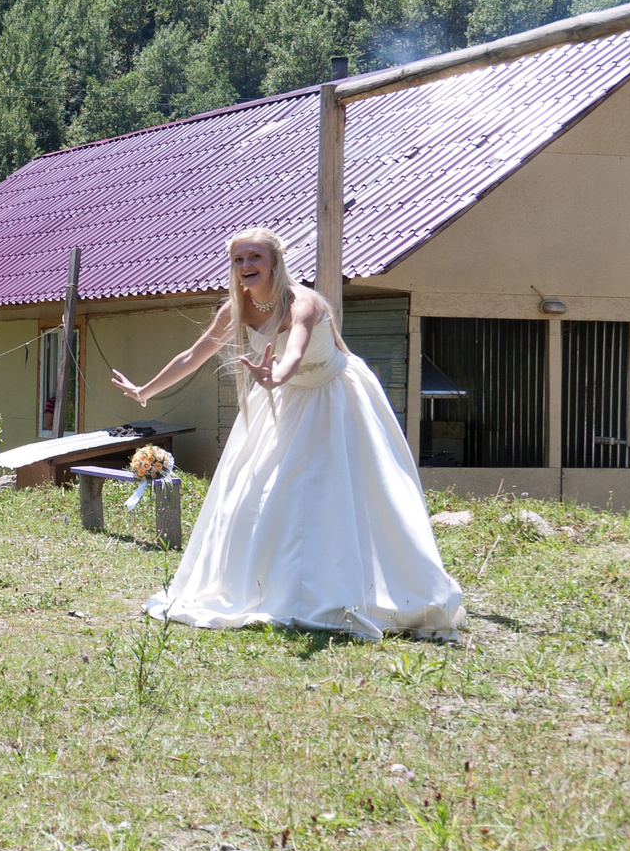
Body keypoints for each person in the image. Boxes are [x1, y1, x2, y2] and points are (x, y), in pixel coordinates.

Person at [109, 227, 464, 641]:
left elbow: (294, 351)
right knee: (260, 492)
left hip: (335, 396)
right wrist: (144, 390)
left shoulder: (305, 303)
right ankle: (270, 587)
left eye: (255, 257)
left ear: (274, 262)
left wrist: (274, 376)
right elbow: (193, 354)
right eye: (239, 259)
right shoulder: (235, 309)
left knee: (347, 490)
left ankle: (360, 585)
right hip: (284, 398)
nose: (246, 266)